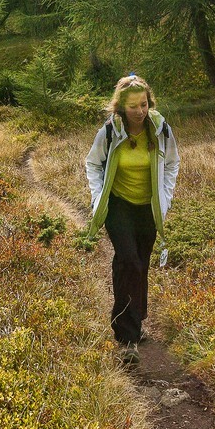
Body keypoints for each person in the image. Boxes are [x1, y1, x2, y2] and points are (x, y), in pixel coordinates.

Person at [84, 73, 180, 364]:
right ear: (121, 107)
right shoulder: (110, 131)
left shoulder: (160, 129)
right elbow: (93, 163)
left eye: (144, 105)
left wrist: (164, 200)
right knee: (129, 260)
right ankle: (127, 338)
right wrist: (97, 198)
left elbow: (172, 164)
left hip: (147, 207)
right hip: (119, 205)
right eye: (133, 106)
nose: (139, 111)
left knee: (139, 263)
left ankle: (135, 320)